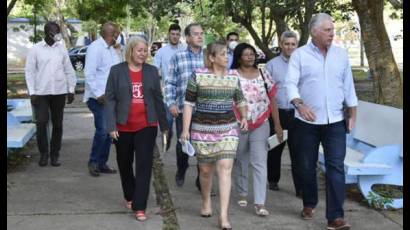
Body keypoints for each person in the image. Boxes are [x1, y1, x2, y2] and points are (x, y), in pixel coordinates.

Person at [285, 13, 357, 230]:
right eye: (327, 30)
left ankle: (335, 217)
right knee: (306, 166)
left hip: (335, 121)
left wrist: (353, 113)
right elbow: (290, 83)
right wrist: (300, 104)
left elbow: (348, 86)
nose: (332, 34)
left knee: (336, 167)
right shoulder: (300, 55)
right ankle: (309, 202)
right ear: (314, 31)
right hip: (306, 122)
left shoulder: (341, 55)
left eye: (332, 30)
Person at [180, 41, 248, 230]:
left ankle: (224, 216)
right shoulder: (198, 76)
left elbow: (240, 99)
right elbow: (188, 104)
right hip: (202, 129)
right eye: (224, 54)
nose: (228, 57)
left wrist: (244, 116)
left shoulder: (234, 76)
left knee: (225, 169)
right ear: (211, 58)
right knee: (205, 171)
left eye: (228, 54)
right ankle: (206, 201)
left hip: (228, 129)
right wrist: (185, 130)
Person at [105, 36, 169, 222]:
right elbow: (110, 99)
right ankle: (130, 196)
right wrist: (111, 125)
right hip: (122, 126)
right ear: (131, 51)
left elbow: (158, 99)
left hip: (146, 125)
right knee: (124, 164)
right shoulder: (116, 71)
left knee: (144, 165)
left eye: (145, 50)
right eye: (140, 50)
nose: (143, 53)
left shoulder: (151, 71)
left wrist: (164, 126)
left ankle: (140, 206)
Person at [231, 43, 283, 217]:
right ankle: (242, 191)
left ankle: (260, 202)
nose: (250, 57)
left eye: (252, 54)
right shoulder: (232, 75)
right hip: (239, 123)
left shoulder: (263, 73)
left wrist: (277, 124)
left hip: (261, 122)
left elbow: (273, 99)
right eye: (246, 55)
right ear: (239, 57)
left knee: (259, 161)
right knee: (241, 159)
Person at [25, 21, 77, 167]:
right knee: (41, 123)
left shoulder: (61, 49)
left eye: (58, 31)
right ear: (48, 32)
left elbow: (69, 70)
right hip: (40, 93)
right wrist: (32, 92)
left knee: (58, 125)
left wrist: (71, 90)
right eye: (55, 31)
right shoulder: (35, 49)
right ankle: (44, 154)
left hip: (59, 92)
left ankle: (55, 155)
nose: (58, 34)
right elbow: (29, 72)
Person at [165, 23, 204, 190]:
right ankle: (182, 168)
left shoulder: (209, 57)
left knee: (204, 147)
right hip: (182, 109)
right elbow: (170, 82)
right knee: (183, 144)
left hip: (205, 111)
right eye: (196, 34)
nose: (200, 36)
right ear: (187, 38)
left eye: (202, 33)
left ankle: (202, 178)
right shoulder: (178, 57)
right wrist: (171, 103)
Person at [265, 30, 302, 197]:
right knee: (275, 148)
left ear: (297, 45)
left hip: (297, 113)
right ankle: (273, 180)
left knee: (298, 151)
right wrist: (275, 120)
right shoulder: (271, 65)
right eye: (287, 44)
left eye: (293, 44)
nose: (290, 47)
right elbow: (266, 92)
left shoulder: (303, 63)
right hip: (277, 112)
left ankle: (300, 187)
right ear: (281, 45)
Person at [84, 22, 121, 177]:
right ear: (110, 34)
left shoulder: (112, 49)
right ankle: (93, 162)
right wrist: (99, 93)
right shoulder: (95, 48)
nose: (118, 36)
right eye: (117, 33)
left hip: (111, 98)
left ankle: (102, 162)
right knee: (103, 130)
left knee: (109, 131)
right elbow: (89, 73)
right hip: (97, 98)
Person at [153, 24, 186, 151]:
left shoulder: (184, 50)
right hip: (167, 95)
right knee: (167, 125)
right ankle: (165, 146)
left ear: (180, 35)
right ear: (168, 34)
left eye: (177, 34)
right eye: (173, 34)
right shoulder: (162, 52)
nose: (175, 36)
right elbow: (155, 70)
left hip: (183, 95)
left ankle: (181, 152)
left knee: (181, 128)